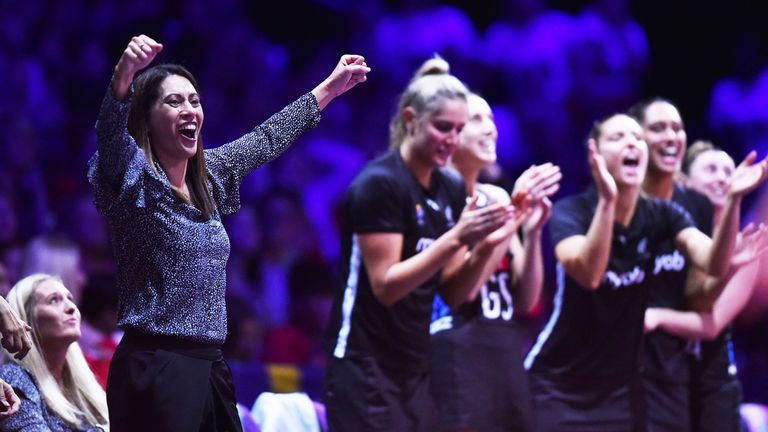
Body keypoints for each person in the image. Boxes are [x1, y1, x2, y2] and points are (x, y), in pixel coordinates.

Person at [87, 34, 369, 431]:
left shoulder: (209, 176)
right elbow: (111, 139)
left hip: (211, 364)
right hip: (155, 364)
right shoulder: (135, 180)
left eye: (194, 100)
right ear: (147, 118)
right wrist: (122, 78)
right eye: (174, 101)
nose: (189, 109)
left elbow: (266, 139)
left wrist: (329, 89)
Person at [524, 112, 766, 431]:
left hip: (619, 391)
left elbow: (712, 262)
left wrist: (734, 200)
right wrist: (609, 201)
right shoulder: (572, 212)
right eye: (618, 137)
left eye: (637, 138)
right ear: (595, 154)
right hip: (560, 383)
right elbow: (590, 274)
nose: (632, 143)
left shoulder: (664, 215)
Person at [323, 57, 517, 431]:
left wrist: (496, 237)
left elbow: (454, 291)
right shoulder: (380, 184)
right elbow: (386, 286)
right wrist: (458, 236)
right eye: (443, 127)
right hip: (364, 365)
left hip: (416, 366)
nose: (453, 140)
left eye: (459, 129)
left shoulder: (451, 187)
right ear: (411, 120)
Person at [428, 92, 561, 431]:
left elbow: (526, 299)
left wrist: (531, 234)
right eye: (477, 120)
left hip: (503, 347)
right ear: (451, 135)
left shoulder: (497, 197)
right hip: (455, 349)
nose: (492, 130)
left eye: (491, 120)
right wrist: (512, 220)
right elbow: (463, 291)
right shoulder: (438, 201)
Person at [642, 139, 767, 432]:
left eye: (727, 170)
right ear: (683, 180)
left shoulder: (745, 245)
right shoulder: (664, 238)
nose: (722, 177)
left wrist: (657, 316)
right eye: (711, 169)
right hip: (660, 380)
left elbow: (712, 324)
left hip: (712, 385)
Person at [0, 273, 108, 431]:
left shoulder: (82, 388)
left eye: (70, 299)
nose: (71, 308)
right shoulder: (14, 378)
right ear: (27, 320)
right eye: (54, 300)